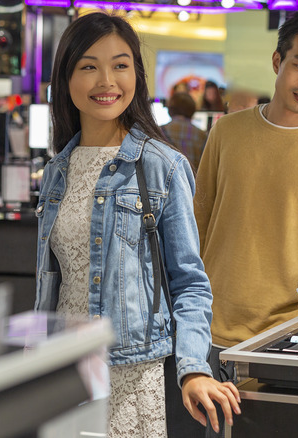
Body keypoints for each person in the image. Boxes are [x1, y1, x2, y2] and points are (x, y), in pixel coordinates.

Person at [34, 12, 240, 438]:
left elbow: (190, 283)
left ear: (137, 75)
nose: (106, 80)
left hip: (129, 375)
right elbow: (55, 283)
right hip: (62, 371)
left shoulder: (161, 165)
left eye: (120, 65)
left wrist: (193, 369)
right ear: (66, 78)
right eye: (89, 66)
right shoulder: (57, 171)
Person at [194, 6, 298, 434]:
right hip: (204, 333)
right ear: (277, 61)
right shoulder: (226, 133)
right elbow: (196, 224)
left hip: (278, 345)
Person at [162, 92, 208, 171]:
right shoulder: (202, 135)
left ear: (170, 109)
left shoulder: (158, 131)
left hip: (167, 181)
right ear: (192, 110)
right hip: (193, 181)